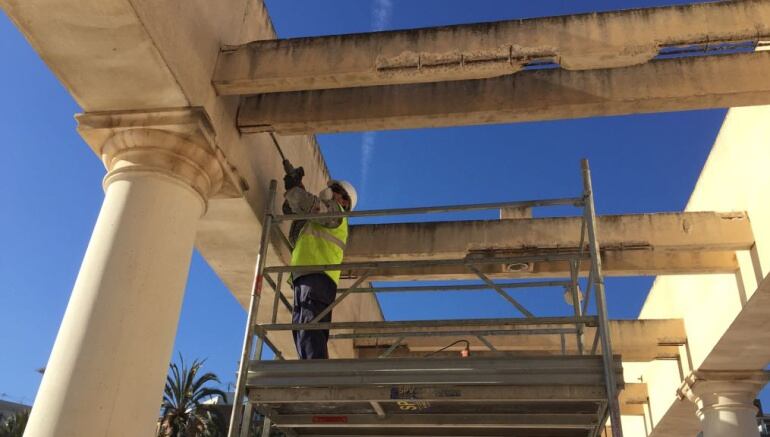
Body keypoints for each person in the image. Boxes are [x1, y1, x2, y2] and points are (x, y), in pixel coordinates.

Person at [283, 173, 358, 359]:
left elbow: (313, 207)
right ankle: (310, 373)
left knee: (309, 326)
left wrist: (296, 191)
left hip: (318, 276)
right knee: (302, 327)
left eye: (336, 190)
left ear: (345, 202)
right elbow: (293, 212)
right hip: (307, 276)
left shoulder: (336, 212)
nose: (331, 192)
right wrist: (296, 189)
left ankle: (314, 376)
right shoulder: (321, 219)